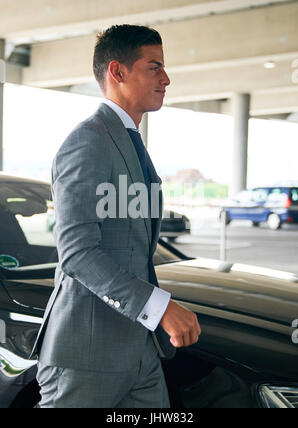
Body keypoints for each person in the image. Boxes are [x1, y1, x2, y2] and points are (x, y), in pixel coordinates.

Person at [32, 24, 201, 408]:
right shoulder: (88, 141)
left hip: (140, 351)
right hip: (87, 356)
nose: (166, 79)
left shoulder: (128, 141)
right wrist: (160, 307)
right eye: (154, 67)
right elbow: (77, 254)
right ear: (118, 72)